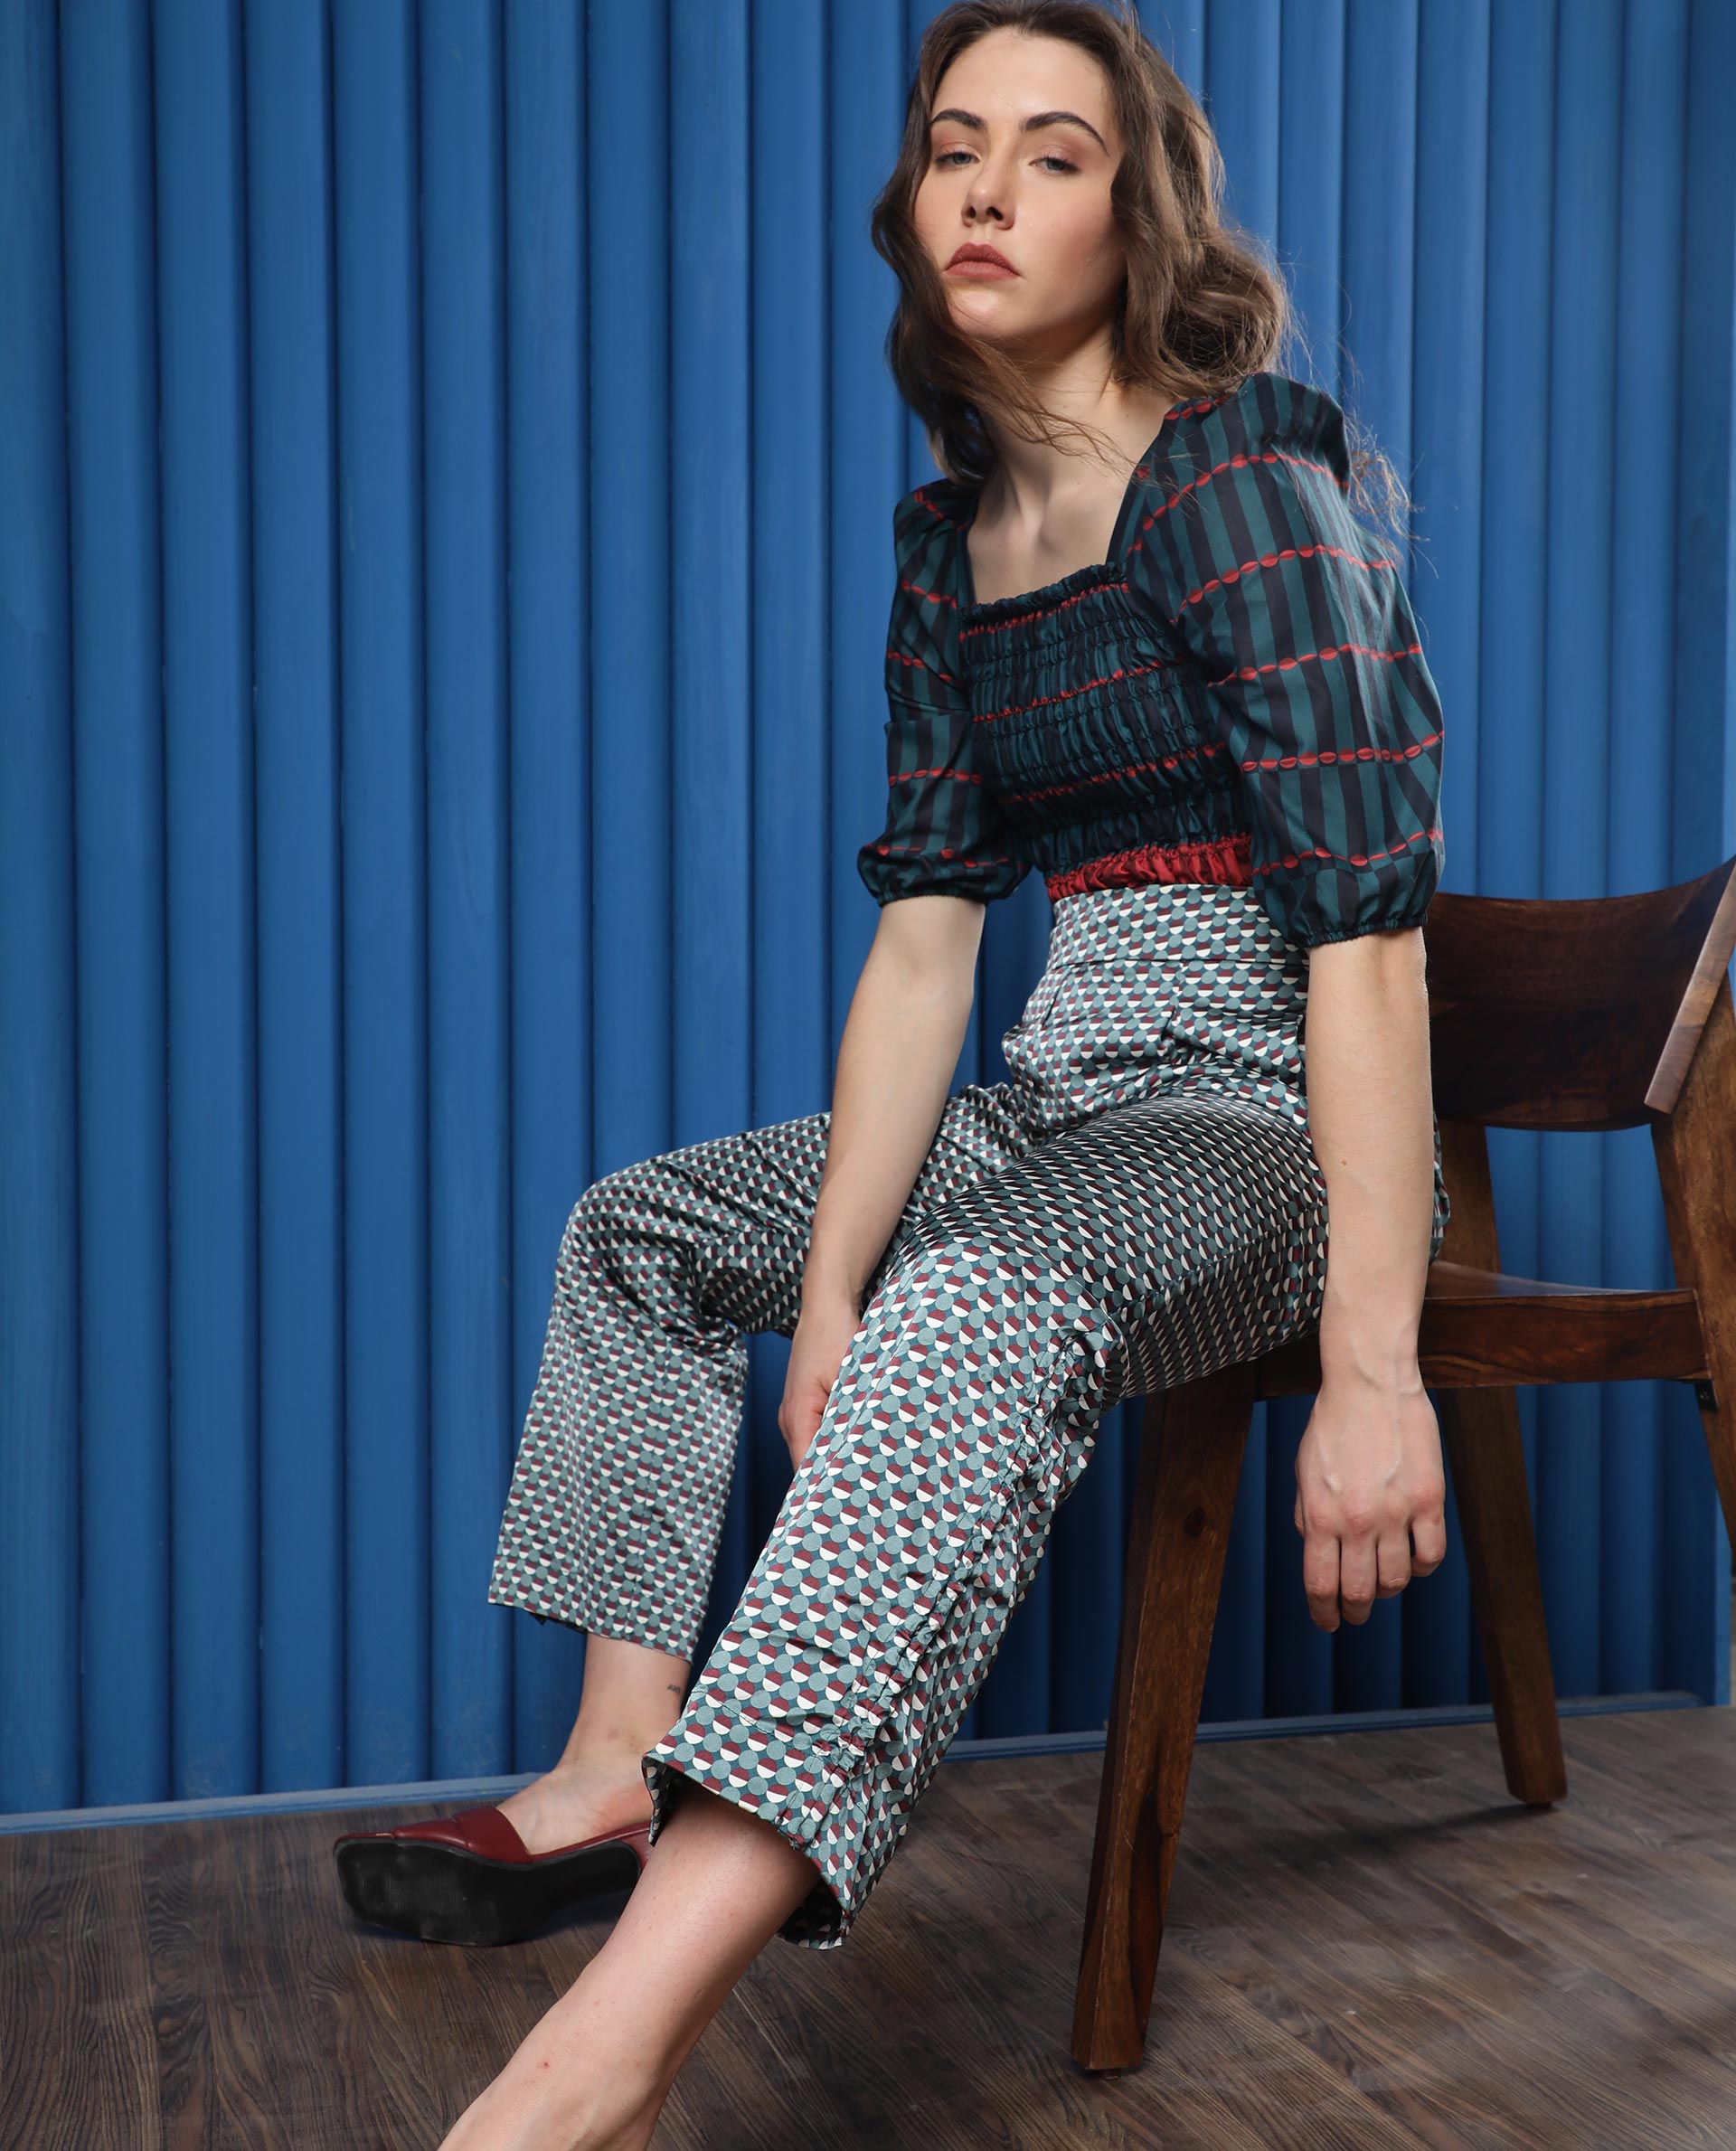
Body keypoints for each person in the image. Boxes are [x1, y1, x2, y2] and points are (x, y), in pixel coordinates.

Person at [347, 3, 1453, 2142]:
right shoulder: (949, 546)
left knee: (974, 1302)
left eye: (1055, 152)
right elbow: (930, 938)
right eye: (959, 145)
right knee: (649, 1229)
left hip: (1264, 1122)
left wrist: (1375, 1362)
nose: (990, 189)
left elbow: (1372, 946)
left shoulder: (1246, 478)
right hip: (1062, 1106)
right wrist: (834, 1281)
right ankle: (611, 1765)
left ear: (1137, 215)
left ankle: (600, 2060)